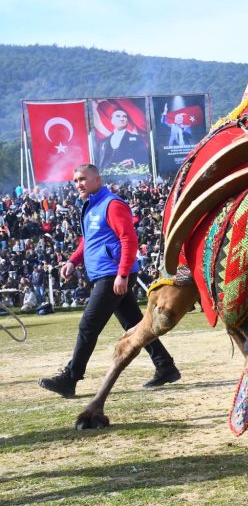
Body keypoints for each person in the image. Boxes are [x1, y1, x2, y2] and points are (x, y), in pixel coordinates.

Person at [38, 164, 180, 398]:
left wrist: (122, 274)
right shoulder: (91, 206)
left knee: (88, 325)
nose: (78, 184)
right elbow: (88, 240)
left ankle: (70, 378)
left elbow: (129, 239)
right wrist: (73, 261)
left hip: (112, 275)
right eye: (75, 180)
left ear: (97, 179)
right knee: (134, 323)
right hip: (107, 274)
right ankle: (166, 366)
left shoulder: (112, 204)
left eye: (83, 178)